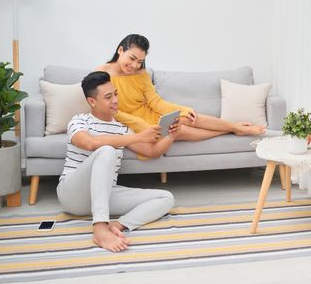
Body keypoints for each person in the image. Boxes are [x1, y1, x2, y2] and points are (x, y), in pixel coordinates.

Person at [56, 71, 178, 253]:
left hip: (104, 195)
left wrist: (171, 134)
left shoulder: (121, 128)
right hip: (72, 195)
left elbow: (153, 152)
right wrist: (136, 137)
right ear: (92, 101)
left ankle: (117, 225)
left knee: (166, 198)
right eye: (108, 97)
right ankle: (99, 227)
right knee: (106, 150)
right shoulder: (79, 121)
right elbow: (89, 143)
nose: (115, 100)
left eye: (115, 94)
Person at [96, 34, 266, 142]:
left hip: (148, 114)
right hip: (128, 121)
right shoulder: (102, 73)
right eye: (132, 58)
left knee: (187, 118)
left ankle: (234, 127)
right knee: (179, 130)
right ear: (120, 50)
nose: (134, 65)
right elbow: (109, 109)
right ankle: (232, 130)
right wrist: (141, 125)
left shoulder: (142, 74)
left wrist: (182, 109)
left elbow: (156, 102)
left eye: (139, 61)